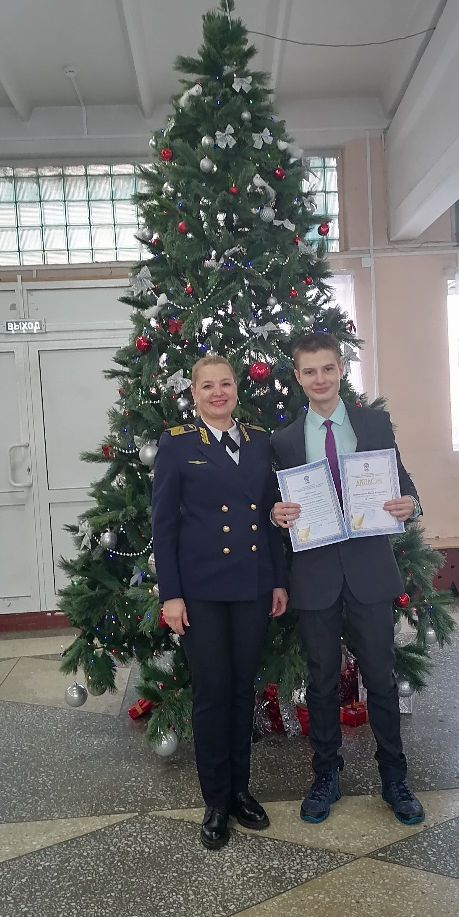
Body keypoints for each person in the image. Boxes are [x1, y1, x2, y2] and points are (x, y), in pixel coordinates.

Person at [270, 332, 425, 827]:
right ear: (298, 377)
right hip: (314, 575)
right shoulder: (284, 440)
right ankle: (325, 775)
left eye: (328, 368)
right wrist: (276, 514)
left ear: (341, 370)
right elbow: (274, 504)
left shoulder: (373, 424)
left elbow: (404, 483)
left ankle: (394, 778)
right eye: (309, 371)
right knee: (320, 683)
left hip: (368, 571)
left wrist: (411, 503)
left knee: (380, 677)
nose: (320, 379)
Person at [152, 355, 288, 850]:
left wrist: (276, 581)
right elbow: (164, 526)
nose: (217, 393)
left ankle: (240, 790)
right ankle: (214, 800)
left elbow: (269, 518)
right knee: (212, 692)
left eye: (225, 384)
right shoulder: (177, 444)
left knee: (241, 689)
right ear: (193, 393)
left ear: (236, 388)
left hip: (251, 585)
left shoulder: (259, 442)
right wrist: (171, 594)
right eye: (207, 386)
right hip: (201, 589)